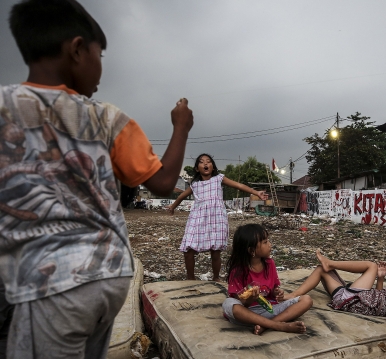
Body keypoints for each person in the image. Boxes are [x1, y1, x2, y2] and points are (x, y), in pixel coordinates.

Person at [0, 0, 193, 358]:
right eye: (99, 55)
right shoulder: (107, 118)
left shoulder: (5, 107)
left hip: (51, 283)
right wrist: (181, 127)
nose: (101, 69)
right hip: (110, 275)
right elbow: (164, 182)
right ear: (76, 49)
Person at [168, 154, 267, 281]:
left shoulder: (219, 179)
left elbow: (239, 186)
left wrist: (256, 192)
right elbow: (181, 196)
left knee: (215, 252)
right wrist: (172, 206)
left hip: (216, 219)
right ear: (197, 168)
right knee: (188, 250)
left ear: (213, 167)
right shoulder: (195, 185)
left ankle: (216, 278)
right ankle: (190, 278)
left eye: (208, 162)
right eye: (202, 162)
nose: (205, 163)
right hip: (197, 218)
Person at [222, 224, 313, 335]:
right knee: (229, 304)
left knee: (306, 300)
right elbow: (241, 302)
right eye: (265, 242)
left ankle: (267, 325)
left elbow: (274, 290)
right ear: (251, 251)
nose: (270, 245)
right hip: (247, 314)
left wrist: (278, 293)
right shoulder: (238, 270)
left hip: (269, 310)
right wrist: (250, 299)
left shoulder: (270, 264)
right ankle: (278, 325)